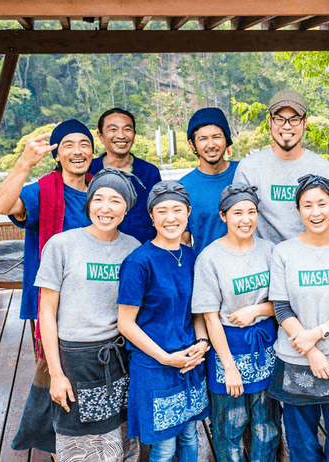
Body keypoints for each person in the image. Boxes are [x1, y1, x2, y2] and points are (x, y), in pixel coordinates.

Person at [0, 119, 95, 454]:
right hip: (55, 304)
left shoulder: (103, 189)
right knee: (54, 374)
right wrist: (24, 163)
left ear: (93, 152)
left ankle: (87, 438)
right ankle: (55, 444)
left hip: (96, 301)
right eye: (68, 144)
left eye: (84, 143)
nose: (77, 151)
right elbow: (3, 206)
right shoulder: (44, 191)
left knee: (89, 376)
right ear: (57, 154)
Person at [37, 168, 141, 462]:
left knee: (118, 439)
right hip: (75, 359)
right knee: (79, 443)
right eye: (98, 199)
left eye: (115, 200)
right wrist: (56, 374)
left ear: (127, 207)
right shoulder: (61, 245)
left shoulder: (132, 249)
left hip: (118, 358)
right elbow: (46, 311)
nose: (105, 208)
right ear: (88, 202)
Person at [268, 174, 329, 462]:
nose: (316, 212)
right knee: (301, 448)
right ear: (298, 210)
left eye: (322, 204)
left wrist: (318, 333)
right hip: (296, 359)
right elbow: (281, 307)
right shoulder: (284, 252)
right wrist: (310, 350)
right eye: (308, 205)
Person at [117, 181, 210, 462]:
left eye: (177, 210)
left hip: (190, 360)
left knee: (191, 435)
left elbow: (196, 312)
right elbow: (126, 323)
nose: (171, 218)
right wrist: (166, 358)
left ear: (188, 212)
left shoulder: (193, 256)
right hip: (154, 365)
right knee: (165, 446)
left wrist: (203, 342)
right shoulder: (139, 262)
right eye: (162, 211)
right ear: (152, 217)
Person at [192, 184, 280, 462]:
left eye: (251, 211)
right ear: (223, 216)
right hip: (227, 348)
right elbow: (209, 316)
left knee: (267, 426)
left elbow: (283, 303)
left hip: (266, 346)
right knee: (230, 424)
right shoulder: (210, 257)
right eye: (237, 212)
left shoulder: (270, 251)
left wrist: (255, 310)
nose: (246, 219)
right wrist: (229, 367)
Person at [233, 90, 329, 244]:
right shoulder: (249, 167)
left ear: (305, 123)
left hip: (309, 257)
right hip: (265, 260)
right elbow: (237, 221)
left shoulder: (322, 167)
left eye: (294, 119)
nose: (286, 126)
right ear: (270, 122)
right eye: (279, 119)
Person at [90, 108, 162, 243]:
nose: (121, 135)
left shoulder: (149, 172)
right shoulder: (89, 171)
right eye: (113, 129)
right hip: (98, 252)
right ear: (100, 136)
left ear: (134, 134)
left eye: (127, 129)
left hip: (139, 252)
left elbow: (158, 214)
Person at [179, 107, 239, 253]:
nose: (211, 145)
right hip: (207, 270)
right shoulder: (183, 188)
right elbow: (183, 242)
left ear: (226, 139)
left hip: (249, 268)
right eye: (202, 139)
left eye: (216, 137)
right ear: (192, 144)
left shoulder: (244, 172)